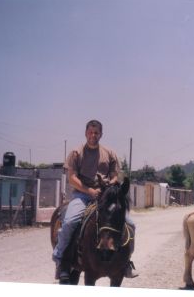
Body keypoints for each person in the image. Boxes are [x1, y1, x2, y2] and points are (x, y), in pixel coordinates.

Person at [52, 119, 138, 280]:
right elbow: (72, 178)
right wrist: (89, 190)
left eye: (96, 132)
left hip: (104, 196)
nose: (93, 135)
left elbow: (115, 175)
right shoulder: (76, 153)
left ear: (101, 134)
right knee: (70, 222)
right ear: (86, 133)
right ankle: (61, 260)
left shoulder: (109, 153)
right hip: (82, 195)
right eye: (90, 132)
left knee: (131, 224)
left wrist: (109, 186)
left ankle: (126, 262)